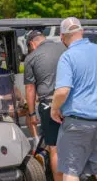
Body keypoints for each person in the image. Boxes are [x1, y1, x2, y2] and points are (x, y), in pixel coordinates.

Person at [51, 17, 97, 181]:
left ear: (62, 37)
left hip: (78, 123)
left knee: (71, 170)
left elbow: (62, 91)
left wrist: (54, 109)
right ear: (81, 31)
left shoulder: (68, 57)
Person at [24, 30, 65, 181]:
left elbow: (30, 88)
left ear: (31, 44)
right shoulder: (64, 47)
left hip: (49, 105)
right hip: (72, 104)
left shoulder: (31, 57)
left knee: (54, 148)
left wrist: (31, 113)